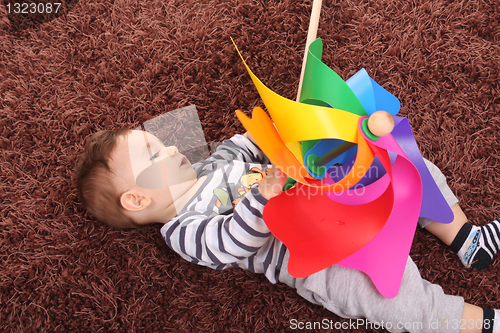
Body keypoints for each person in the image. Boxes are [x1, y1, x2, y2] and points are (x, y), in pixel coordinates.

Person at [76, 128, 500, 333]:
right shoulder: (181, 229)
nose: (171, 147)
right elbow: (227, 245)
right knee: (387, 293)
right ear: (136, 199)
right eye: (155, 153)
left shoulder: (211, 164)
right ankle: (474, 323)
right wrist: (262, 197)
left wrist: (275, 125)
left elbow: (246, 140)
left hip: (325, 192)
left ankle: (465, 237)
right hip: (313, 255)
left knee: (406, 168)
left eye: (161, 140)